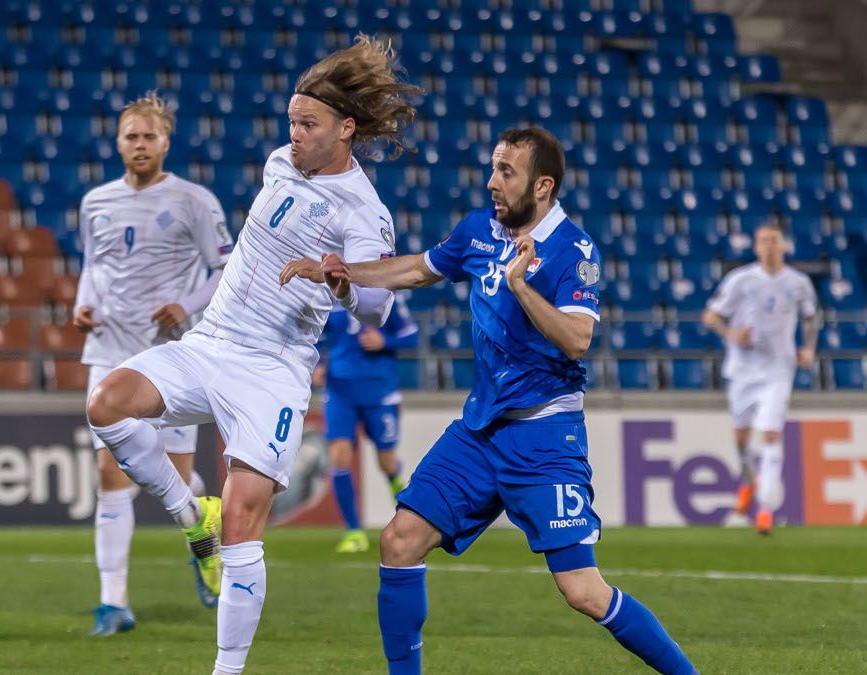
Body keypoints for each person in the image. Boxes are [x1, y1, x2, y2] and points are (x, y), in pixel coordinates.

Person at [282, 127, 696, 674]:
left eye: (507, 172)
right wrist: (340, 271)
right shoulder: (480, 229)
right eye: (493, 168)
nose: (491, 182)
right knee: (399, 540)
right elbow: (415, 268)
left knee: (583, 592)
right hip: (480, 431)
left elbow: (577, 339)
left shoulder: (574, 251)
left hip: (544, 438)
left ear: (543, 185)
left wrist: (523, 286)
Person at [85, 35, 420, 674]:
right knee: (107, 405)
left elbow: (376, 310)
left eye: (308, 124)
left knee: (244, 527)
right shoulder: (279, 164)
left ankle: (227, 670)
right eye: (292, 121)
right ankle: (190, 515)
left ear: (346, 128)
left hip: (272, 370)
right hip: (209, 342)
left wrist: (342, 277)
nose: (294, 134)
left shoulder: (366, 213)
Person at [74, 92, 233, 635]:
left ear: (166, 142)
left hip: (172, 357)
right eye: (131, 136)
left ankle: (198, 529)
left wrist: (185, 306)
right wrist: (82, 303)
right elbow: (93, 266)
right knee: (109, 474)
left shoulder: (194, 201)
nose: (139, 144)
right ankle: (112, 602)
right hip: (110, 350)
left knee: (174, 483)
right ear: (118, 142)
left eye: (149, 136)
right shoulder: (95, 201)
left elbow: (224, 271)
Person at [702, 222, 818, 535]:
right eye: (763, 241)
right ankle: (748, 484)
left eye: (774, 241)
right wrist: (730, 333)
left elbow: (810, 317)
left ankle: (765, 509)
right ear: (756, 247)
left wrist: (808, 347)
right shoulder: (741, 280)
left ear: (784, 246)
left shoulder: (798, 283)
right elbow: (710, 315)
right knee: (741, 440)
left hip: (779, 369)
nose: (768, 245)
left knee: (769, 434)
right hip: (741, 372)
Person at [317, 295, 417, 553]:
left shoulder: (387, 296)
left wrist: (386, 341)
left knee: (386, 462)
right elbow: (314, 335)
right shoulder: (331, 298)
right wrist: (317, 364)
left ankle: (401, 494)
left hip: (379, 390)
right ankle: (354, 531)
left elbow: (412, 336)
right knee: (338, 456)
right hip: (340, 391)